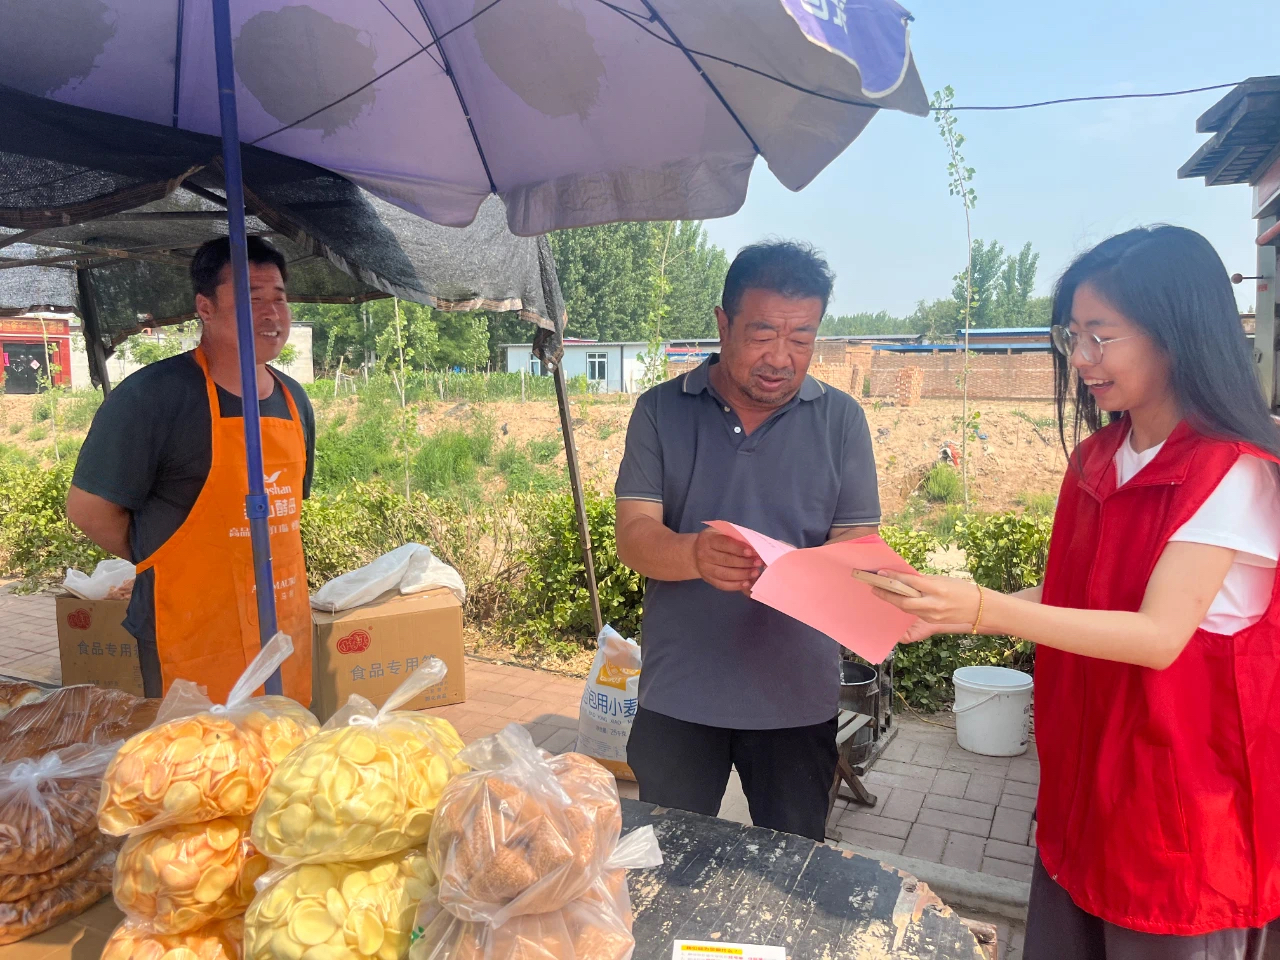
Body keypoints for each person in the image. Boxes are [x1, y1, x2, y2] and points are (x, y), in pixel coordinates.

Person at [872, 226, 1280, 959]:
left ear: (1177, 334)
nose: (1081, 358)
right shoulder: (1099, 457)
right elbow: (1075, 597)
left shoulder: (1231, 471)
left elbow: (1157, 636)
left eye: (1101, 335)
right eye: (1072, 336)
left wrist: (983, 609)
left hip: (1178, 827)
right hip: (1085, 799)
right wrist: (946, 609)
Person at [613, 240, 881, 843]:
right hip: (680, 693)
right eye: (762, 335)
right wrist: (693, 554)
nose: (781, 358)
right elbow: (634, 535)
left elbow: (858, 544)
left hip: (796, 696)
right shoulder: (660, 411)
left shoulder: (842, 421)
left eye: (802, 339)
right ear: (723, 323)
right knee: (669, 862)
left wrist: (813, 573)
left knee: (794, 866)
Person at [67, 237, 316, 705]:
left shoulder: (293, 400)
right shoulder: (153, 397)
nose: (272, 314)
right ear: (205, 307)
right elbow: (89, 510)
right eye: (252, 299)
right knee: (194, 751)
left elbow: (287, 512)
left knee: (284, 748)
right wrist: (165, 559)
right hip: (192, 636)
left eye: (279, 298)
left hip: (282, 632)